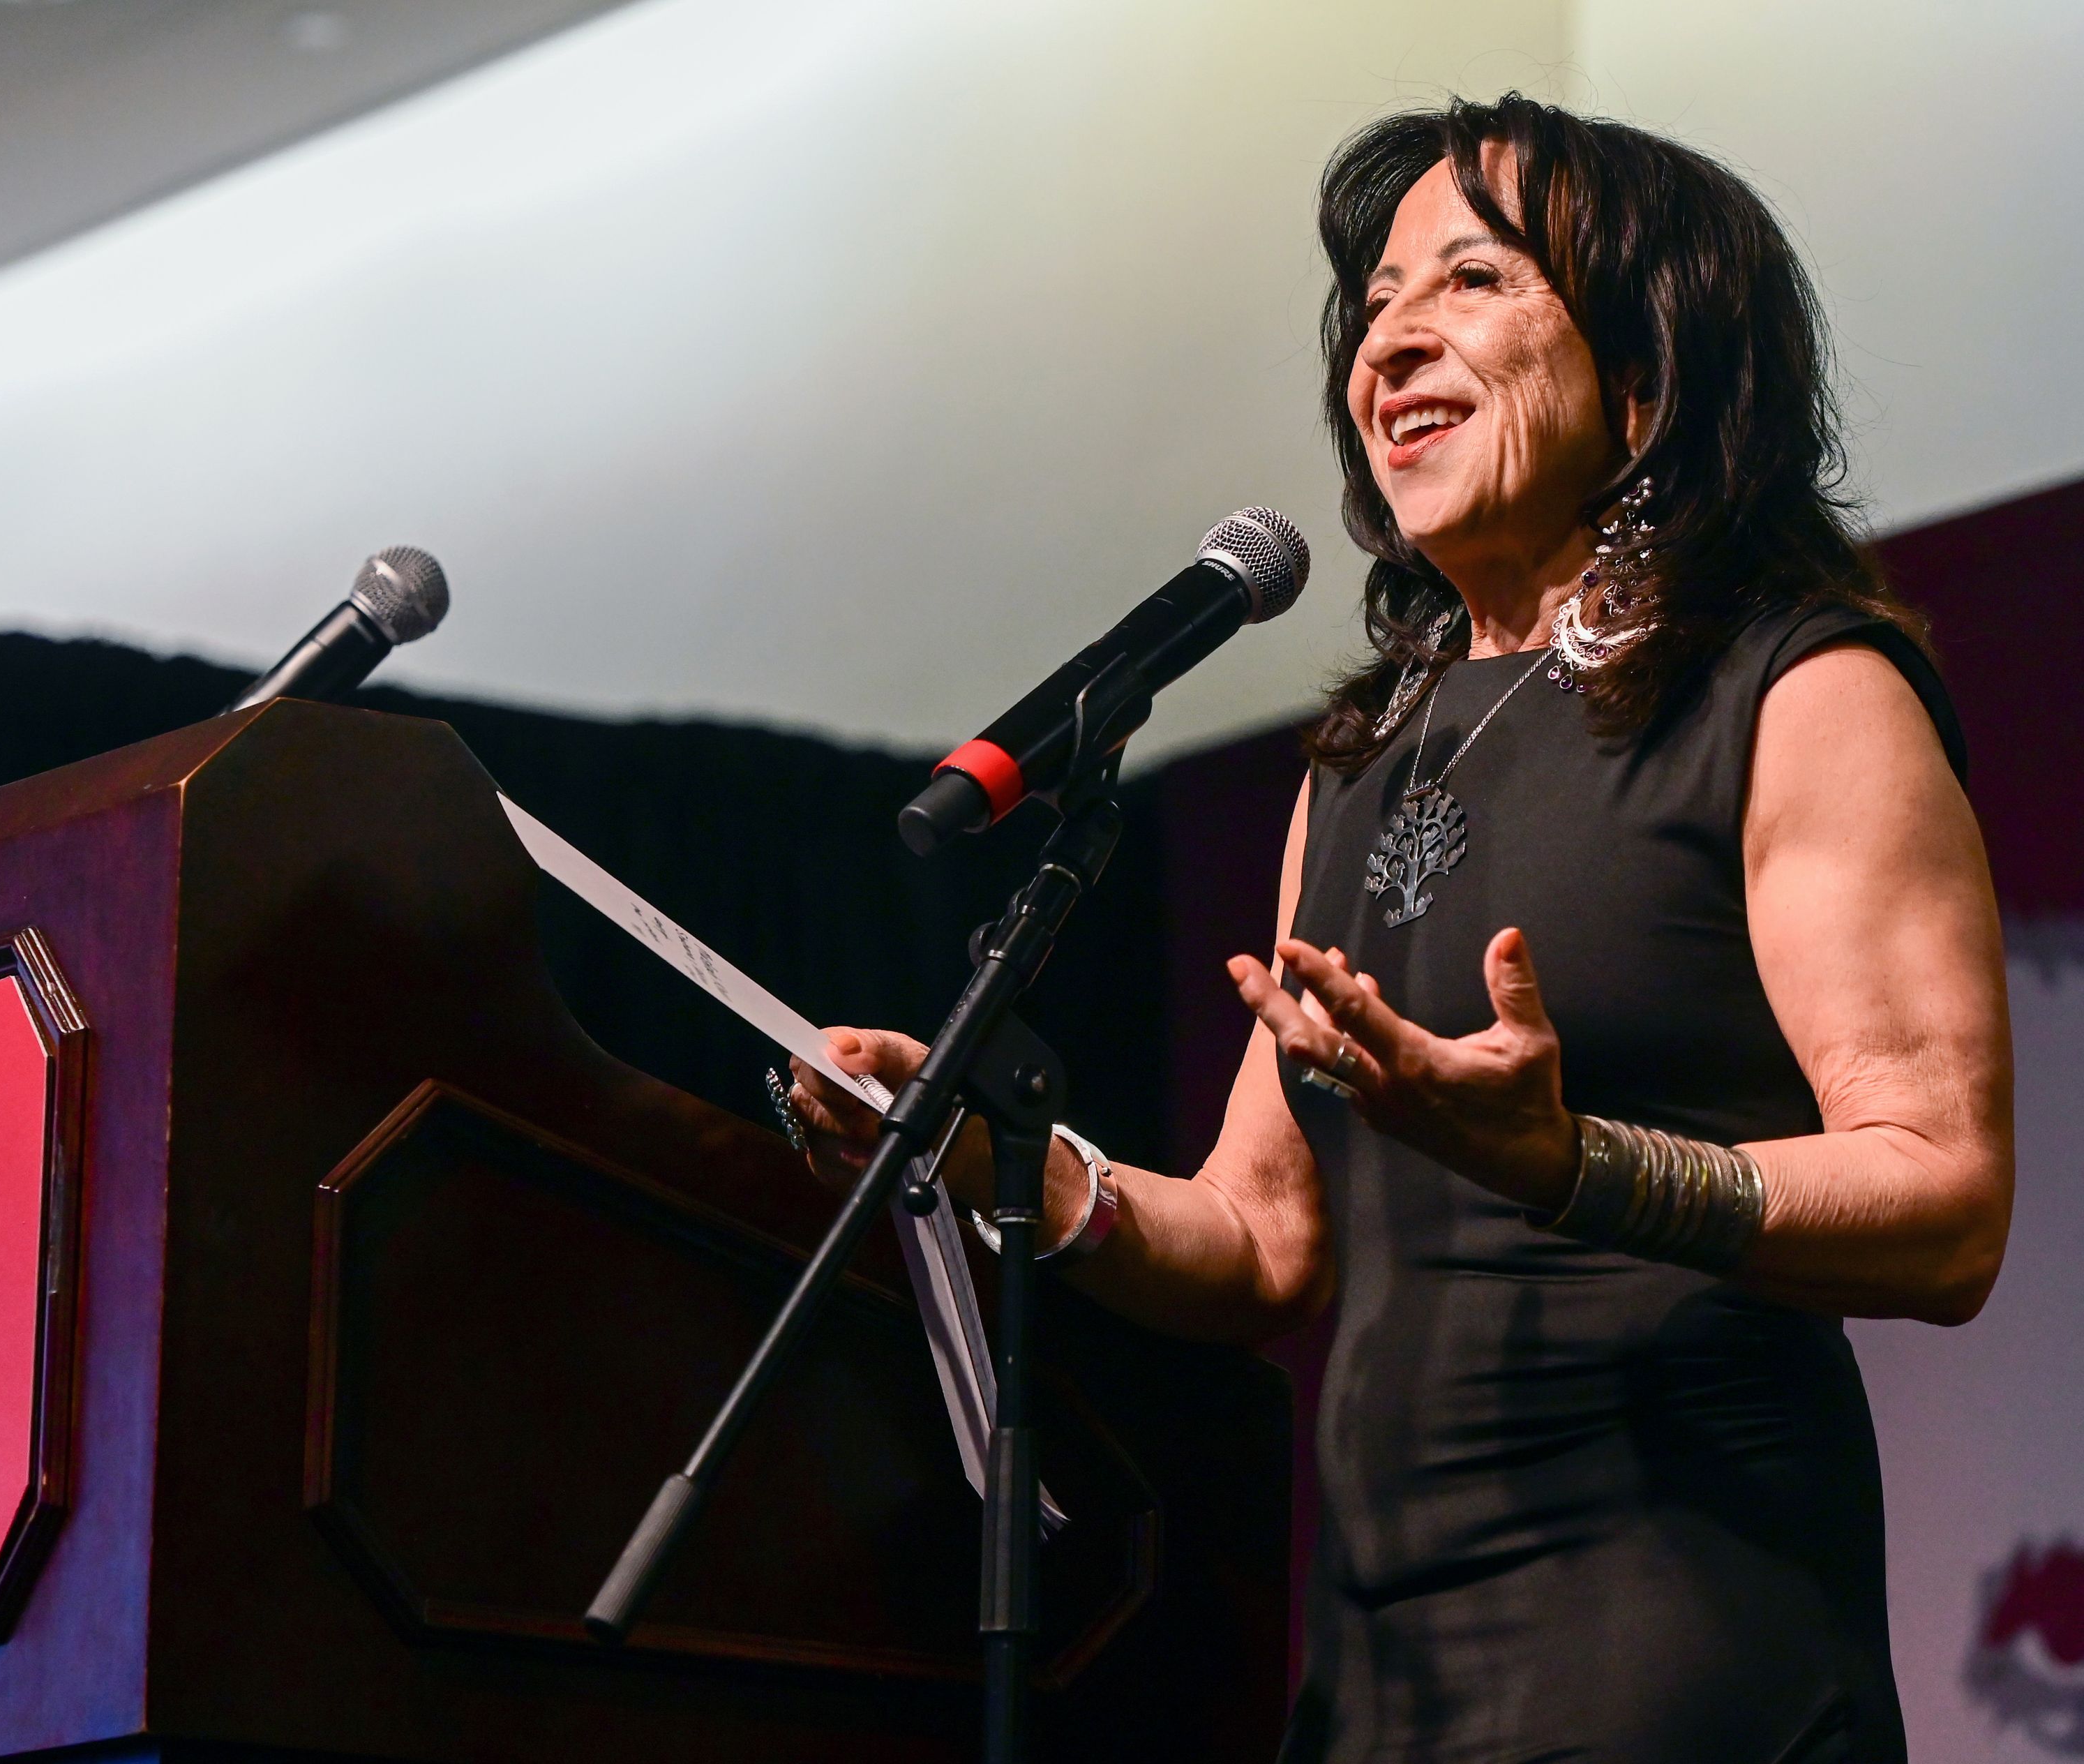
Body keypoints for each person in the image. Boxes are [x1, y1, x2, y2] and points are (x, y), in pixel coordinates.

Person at [789, 95, 2011, 1762]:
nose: (1391, 340)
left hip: (1679, 1636)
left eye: (1472, 282)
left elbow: (1943, 1201)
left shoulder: (1801, 689)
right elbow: (1263, 1233)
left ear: (1648, 368)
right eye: (1372, 305)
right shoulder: (1365, 758)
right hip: (1378, 1672)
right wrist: (1034, 1175)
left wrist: (1573, 1162)